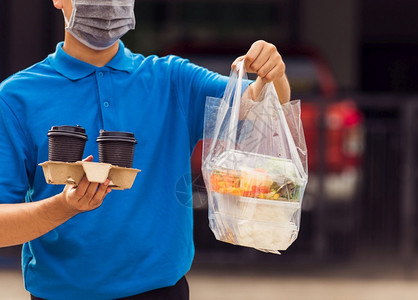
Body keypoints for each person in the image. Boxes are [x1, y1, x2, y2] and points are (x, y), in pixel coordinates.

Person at [0, 0, 291, 299]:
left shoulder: (173, 80)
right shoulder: (16, 97)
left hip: (162, 292)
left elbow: (262, 109)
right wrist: (64, 207)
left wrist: (274, 75)